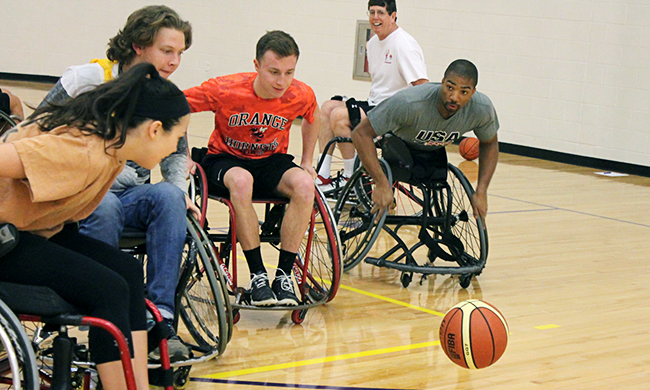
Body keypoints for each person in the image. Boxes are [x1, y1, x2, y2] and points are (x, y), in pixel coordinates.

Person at [0, 63, 191, 390]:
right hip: (7, 237)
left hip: (29, 230)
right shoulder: (82, 151)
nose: (176, 150)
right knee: (107, 289)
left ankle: (136, 384)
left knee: (127, 273)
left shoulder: (113, 146)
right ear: (154, 130)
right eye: (175, 138)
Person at [38, 5, 194, 361]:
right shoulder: (88, 79)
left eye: (180, 54)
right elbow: (38, 127)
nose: (174, 62)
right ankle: (100, 314)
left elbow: (175, 153)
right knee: (103, 203)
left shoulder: (163, 93)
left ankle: (160, 318)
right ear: (139, 45)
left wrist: (181, 190)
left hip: (131, 193)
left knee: (169, 196)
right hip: (82, 197)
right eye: (166, 51)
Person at [184, 30, 319, 307]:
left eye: (289, 72)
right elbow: (178, 105)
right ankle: (258, 275)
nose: (282, 81)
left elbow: (312, 118)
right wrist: (183, 155)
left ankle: (283, 276)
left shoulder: (300, 93)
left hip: (270, 161)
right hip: (225, 159)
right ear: (256, 66)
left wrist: (307, 160)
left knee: (305, 185)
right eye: (274, 72)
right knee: (243, 181)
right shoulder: (224, 89)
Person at [352, 59, 499, 222]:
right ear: (442, 83)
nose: (454, 97)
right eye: (450, 87)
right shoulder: (409, 102)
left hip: (432, 152)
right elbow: (360, 134)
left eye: (464, 92)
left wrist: (481, 190)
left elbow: (489, 143)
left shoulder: (482, 109)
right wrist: (380, 182)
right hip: (398, 145)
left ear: (473, 93)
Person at [316, 0, 428, 192]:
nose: (375, 17)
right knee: (327, 107)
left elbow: (422, 86)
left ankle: (350, 180)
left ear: (393, 16)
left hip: (396, 114)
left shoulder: (403, 44)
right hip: (376, 105)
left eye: (381, 13)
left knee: (340, 117)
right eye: (372, 12)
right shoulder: (373, 43)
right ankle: (322, 175)